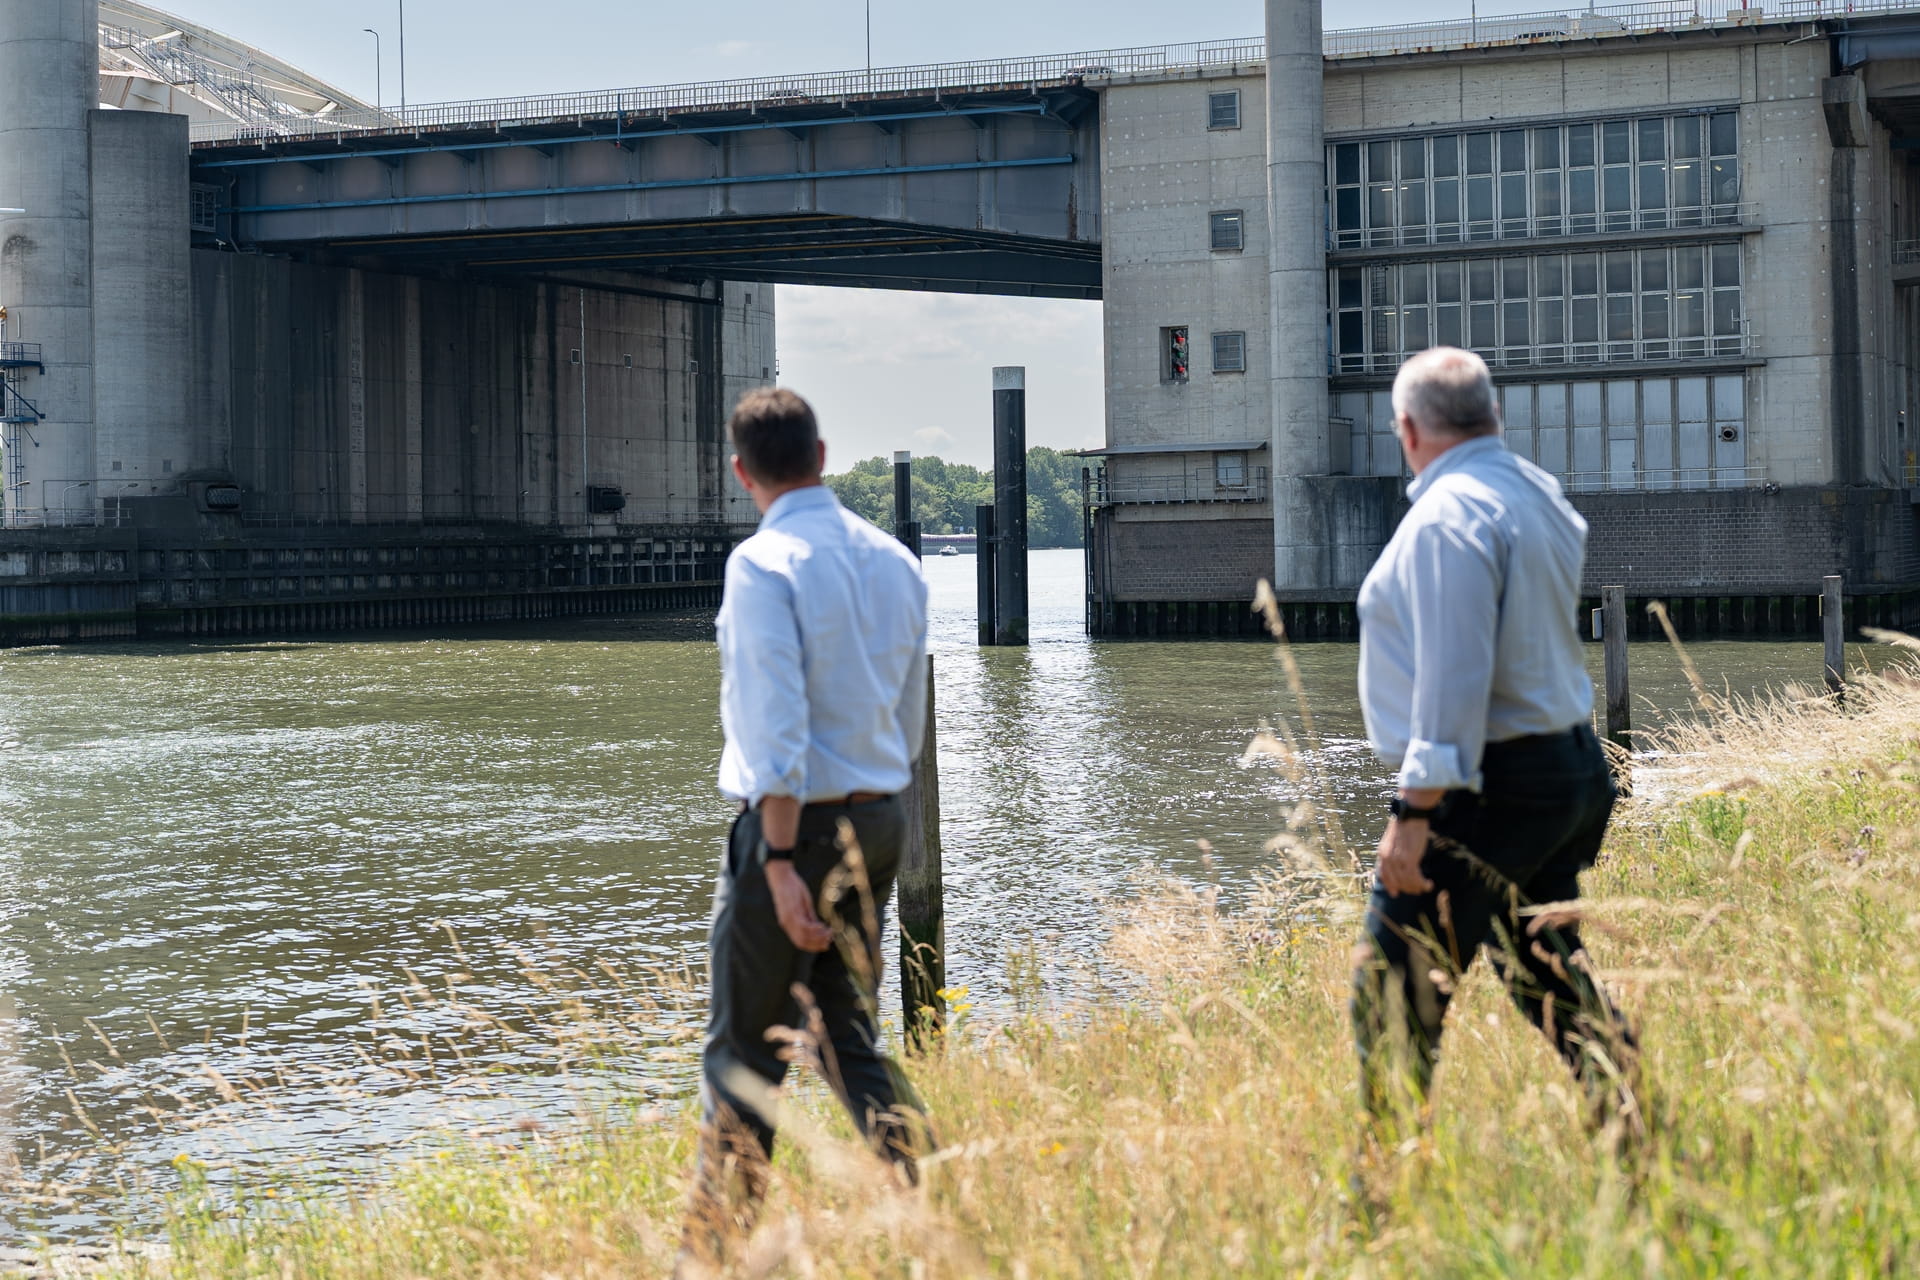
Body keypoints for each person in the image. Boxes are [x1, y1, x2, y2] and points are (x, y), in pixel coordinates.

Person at [1349, 347, 1641, 1141]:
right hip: (1566, 768)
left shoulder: (1450, 517)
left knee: (1391, 992)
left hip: (1489, 784)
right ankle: (1632, 1119)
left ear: (1408, 429)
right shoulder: (1535, 493)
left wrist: (1413, 811)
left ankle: (1386, 1187)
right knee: (1541, 964)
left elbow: (1454, 679)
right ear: (1491, 416)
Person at [677, 387, 931, 1272]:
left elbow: (775, 726)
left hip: (798, 828)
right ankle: (928, 1197)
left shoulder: (762, 563)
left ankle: (711, 1254)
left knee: (744, 1049)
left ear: (742, 472)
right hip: (882, 813)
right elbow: (909, 710)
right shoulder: (896, 560)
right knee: (840, 1027)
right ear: (822, 455)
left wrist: (778, 857)